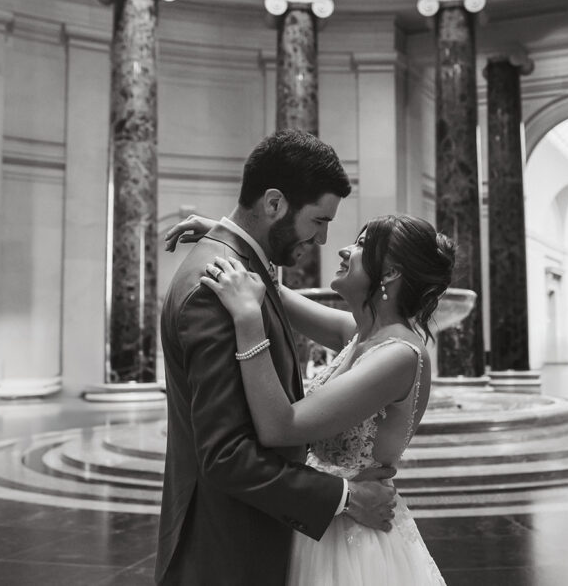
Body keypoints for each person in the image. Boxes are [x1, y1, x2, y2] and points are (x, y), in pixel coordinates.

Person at [156, 131, 398, 586]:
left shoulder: (240, 272)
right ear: (273, 204)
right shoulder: (217, 290)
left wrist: (225, 233)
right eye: (319, 220)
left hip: (248, 536)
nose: (325, 239)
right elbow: (227, 455)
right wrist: (347, 497)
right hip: (224, 551)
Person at [199, 213, 454, 585]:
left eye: (363, 244)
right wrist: (227, 235)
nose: (344, 248)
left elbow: (279, 426)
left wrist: (249, 321)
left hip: (352, 545)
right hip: (324, 518)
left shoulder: (398, 355)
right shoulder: (364, 333)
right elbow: (276, 292)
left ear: (390, 274)